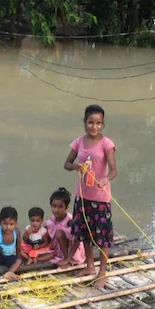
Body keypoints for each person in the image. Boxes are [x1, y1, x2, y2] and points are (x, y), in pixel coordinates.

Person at [62, 104, 117, 289]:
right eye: (91, 122)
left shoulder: (107, 144)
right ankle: (89, 266)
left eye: (98, 123)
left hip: (101, 198)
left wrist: (105, 179)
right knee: (84, 232)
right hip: (82, 196)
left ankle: (102, 273)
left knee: (102, 237)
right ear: (85, 122)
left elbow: (114, 170)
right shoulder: (78, 142)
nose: (94, 127)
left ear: (103, 124)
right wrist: (75, 166)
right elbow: (67, 163)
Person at [47, 187, 85, 267]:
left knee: (59, 233)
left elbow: (78, 240)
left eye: (60, 207)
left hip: (72, 252)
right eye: (54, 206)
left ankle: (68, 261)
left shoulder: (70, 221)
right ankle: (63, 257)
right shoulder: (53, 218)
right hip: (59, 249)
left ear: (66, 207)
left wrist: (67, 258)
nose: (56, 210)